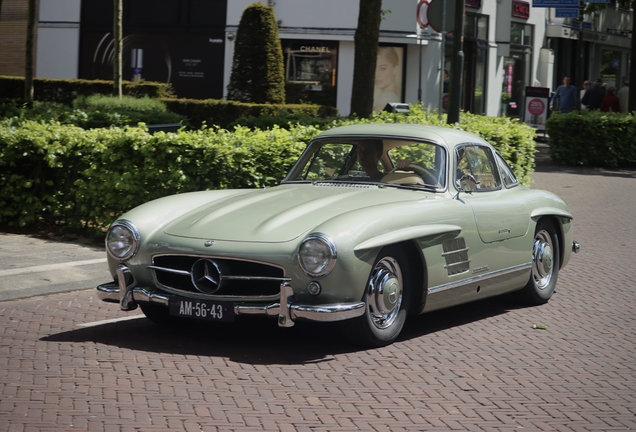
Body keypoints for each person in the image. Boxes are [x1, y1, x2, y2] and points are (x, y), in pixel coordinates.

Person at [373, 47, 401, 112]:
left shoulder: (387, 97)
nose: (376, 74)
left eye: (382, 69)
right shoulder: (387, 96)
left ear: (395, 69)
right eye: (374, 68)